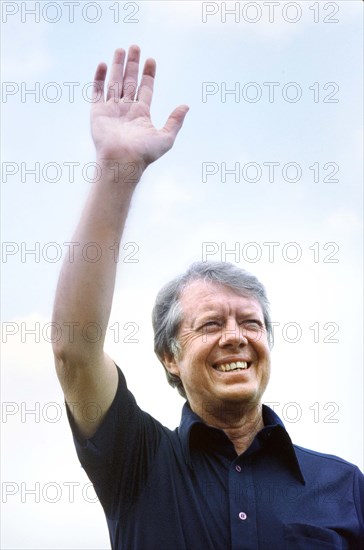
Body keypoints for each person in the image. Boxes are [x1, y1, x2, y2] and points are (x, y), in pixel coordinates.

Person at [52, 45, 364, 550]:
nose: (236, 338)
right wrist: (117, 171)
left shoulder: (344, 486)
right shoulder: (135, 461)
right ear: (169, 357)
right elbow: (75, 351)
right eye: (212, 324)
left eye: (251, 323)